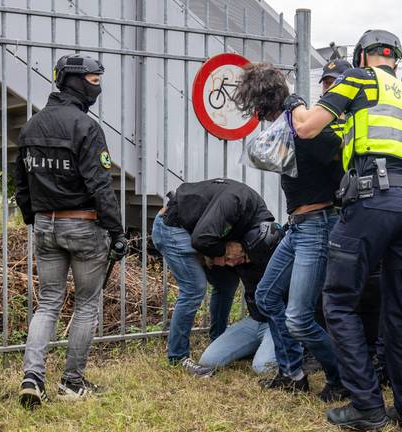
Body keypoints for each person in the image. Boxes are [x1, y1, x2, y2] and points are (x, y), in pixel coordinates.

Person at [288, 30, 402, 431]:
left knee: (338, 301)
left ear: (361, 57)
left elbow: (307, 128)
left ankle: (367, 406)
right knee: (398, 309)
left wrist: (296, 103)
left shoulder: (360, 79)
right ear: (397, 61)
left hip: (374, 200)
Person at [14, 54, 128, 408]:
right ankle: (72, 383)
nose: (97, 86)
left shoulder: (31, 126)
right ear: (74, 81)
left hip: (45, 225)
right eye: (93, 80)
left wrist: (35, 220)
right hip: (83, 226)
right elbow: (100, 185)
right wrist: (117, 231)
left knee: (47, 302)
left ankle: (32, 377)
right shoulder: (86, 127)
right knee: (86, 305)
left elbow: (21, 184)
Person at [233, 63, 348, 403]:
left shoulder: (314, 130)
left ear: (266, 103)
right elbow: (260, 153)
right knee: (267, 296)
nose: (260, 117)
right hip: (297, 228)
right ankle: (293, 373)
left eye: (260, 109)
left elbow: (338, 161)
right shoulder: (286, 129)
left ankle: (340, 378)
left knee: (298, 317)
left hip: (317, 226)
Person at [151, 178, 282, 375]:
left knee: (227, 282)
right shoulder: (237, 201)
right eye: (239, 256)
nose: (234, 262)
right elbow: (202, 239)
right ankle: (178, 356)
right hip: (173, 228)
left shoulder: (255, 223)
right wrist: (223, 252)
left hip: (199, 233)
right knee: (194, 289)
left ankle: (219, 338)